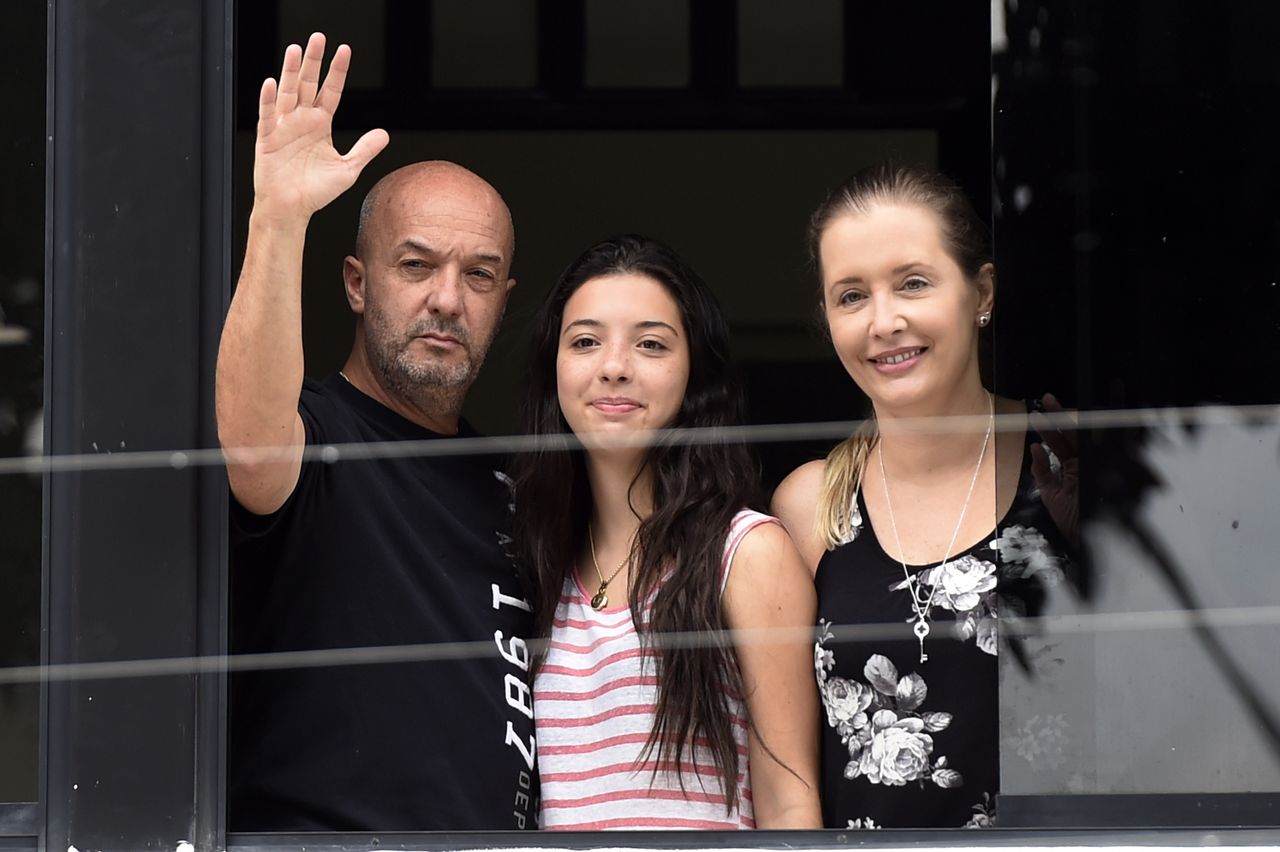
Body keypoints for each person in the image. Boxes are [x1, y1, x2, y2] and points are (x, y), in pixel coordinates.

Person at [216, 33, 537, 831]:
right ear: (358, 284)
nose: (447, 300)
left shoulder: (518, 488)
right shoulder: (316, 435)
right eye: (417, 265)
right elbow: (252, 444)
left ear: (504, 300)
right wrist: (280, 219)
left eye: (479, 276)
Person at [772, 164, 1077, 829]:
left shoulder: (1064, 464)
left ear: (982, 293)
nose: (885, 320)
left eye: (913, 283)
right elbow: (784, 780)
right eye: (851, 296)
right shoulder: (811, 505)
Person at [510, 235, 822, 831]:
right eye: (585, 342)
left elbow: (791, 806)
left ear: (693, 374)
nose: (615, 367)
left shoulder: (745, 552)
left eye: (651, 343)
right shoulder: (538, 565)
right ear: (554, 368)